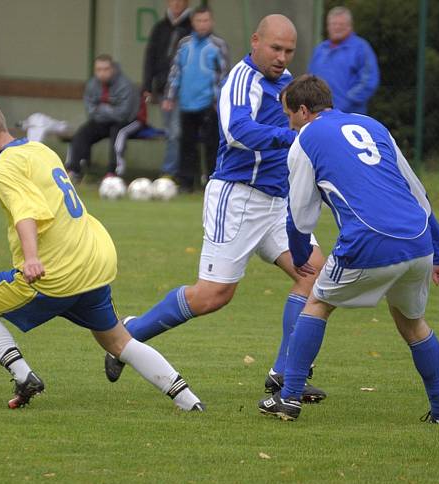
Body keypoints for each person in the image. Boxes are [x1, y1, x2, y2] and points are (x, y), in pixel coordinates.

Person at [104, 15, 327, 404]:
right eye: (275, 48)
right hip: (238, 198)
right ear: (255, 41)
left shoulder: (286, 81)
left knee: (314, 273)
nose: (281, 57)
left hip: (277, 202)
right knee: (213, 295)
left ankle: (285, 374)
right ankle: (128, 335)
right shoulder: (241, 80)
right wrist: (290, 135)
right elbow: (237, 132)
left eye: (289, 51)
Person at [0, 95, 204, 412]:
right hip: (93, 259)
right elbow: (40, 183)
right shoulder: (37, 149)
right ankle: (189, 402)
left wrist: (31, 258)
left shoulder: (4, 169)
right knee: (117, 341)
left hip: (55, 272)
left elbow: (26, 212)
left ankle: (23, 375)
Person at [258, 75, 439, 424]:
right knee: (413, 324)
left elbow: (301, 213)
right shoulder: (372, 125)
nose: (288, 121)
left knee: (317, 303)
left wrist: (300, 252)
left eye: (288, 114)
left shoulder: (306, 138)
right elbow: (418, 192)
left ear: (303, 111)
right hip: (418, 238)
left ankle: (288, 398)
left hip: (368, 240)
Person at [163, 6, 229, 192]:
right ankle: (186, 182)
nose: (202, 25)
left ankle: (212, 181)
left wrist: (219, 100)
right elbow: (176, 71)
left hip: (209, 103)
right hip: (186, 102)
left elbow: (224, 74)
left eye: (205, 21)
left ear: (212, 22)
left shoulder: (218, 45)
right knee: (187, 144)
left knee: (211, 144)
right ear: (193, 22)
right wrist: (170, 96)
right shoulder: (184, 44)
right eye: (198, 21)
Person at [64, 55, 139, 182]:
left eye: (106, 69)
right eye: (99, 69)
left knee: (118, 133)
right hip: (103, 122)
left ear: (113, 69)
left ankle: (113, 173)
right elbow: (91, 111)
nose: (102, 73)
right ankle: (73, 170)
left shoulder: (125, 85)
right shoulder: (92, 84)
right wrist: (109, 110)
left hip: (128, 122)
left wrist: (102, 109)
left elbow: (123, 113)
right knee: (82, 133)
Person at [142, 0, 192, 180]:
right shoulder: (160, 28)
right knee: (171, 132)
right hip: (164, 89)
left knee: (177, 132)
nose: (176, 5)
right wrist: (147, 85)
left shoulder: (193, 28)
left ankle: (171, 171)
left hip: (187, 91)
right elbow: (150, 57)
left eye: (180, 1)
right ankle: (173, 172)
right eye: (173, 1)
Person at [307, 6, 379, 114]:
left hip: (349, 115)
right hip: (319, 113)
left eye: (341, 24)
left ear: (350, 26)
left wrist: (346, 102)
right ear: (328, 26)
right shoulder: (320, 49)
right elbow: (310, 79)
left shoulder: (361, 48)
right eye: (333, 24)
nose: (337, 27)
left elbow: (368, 82)